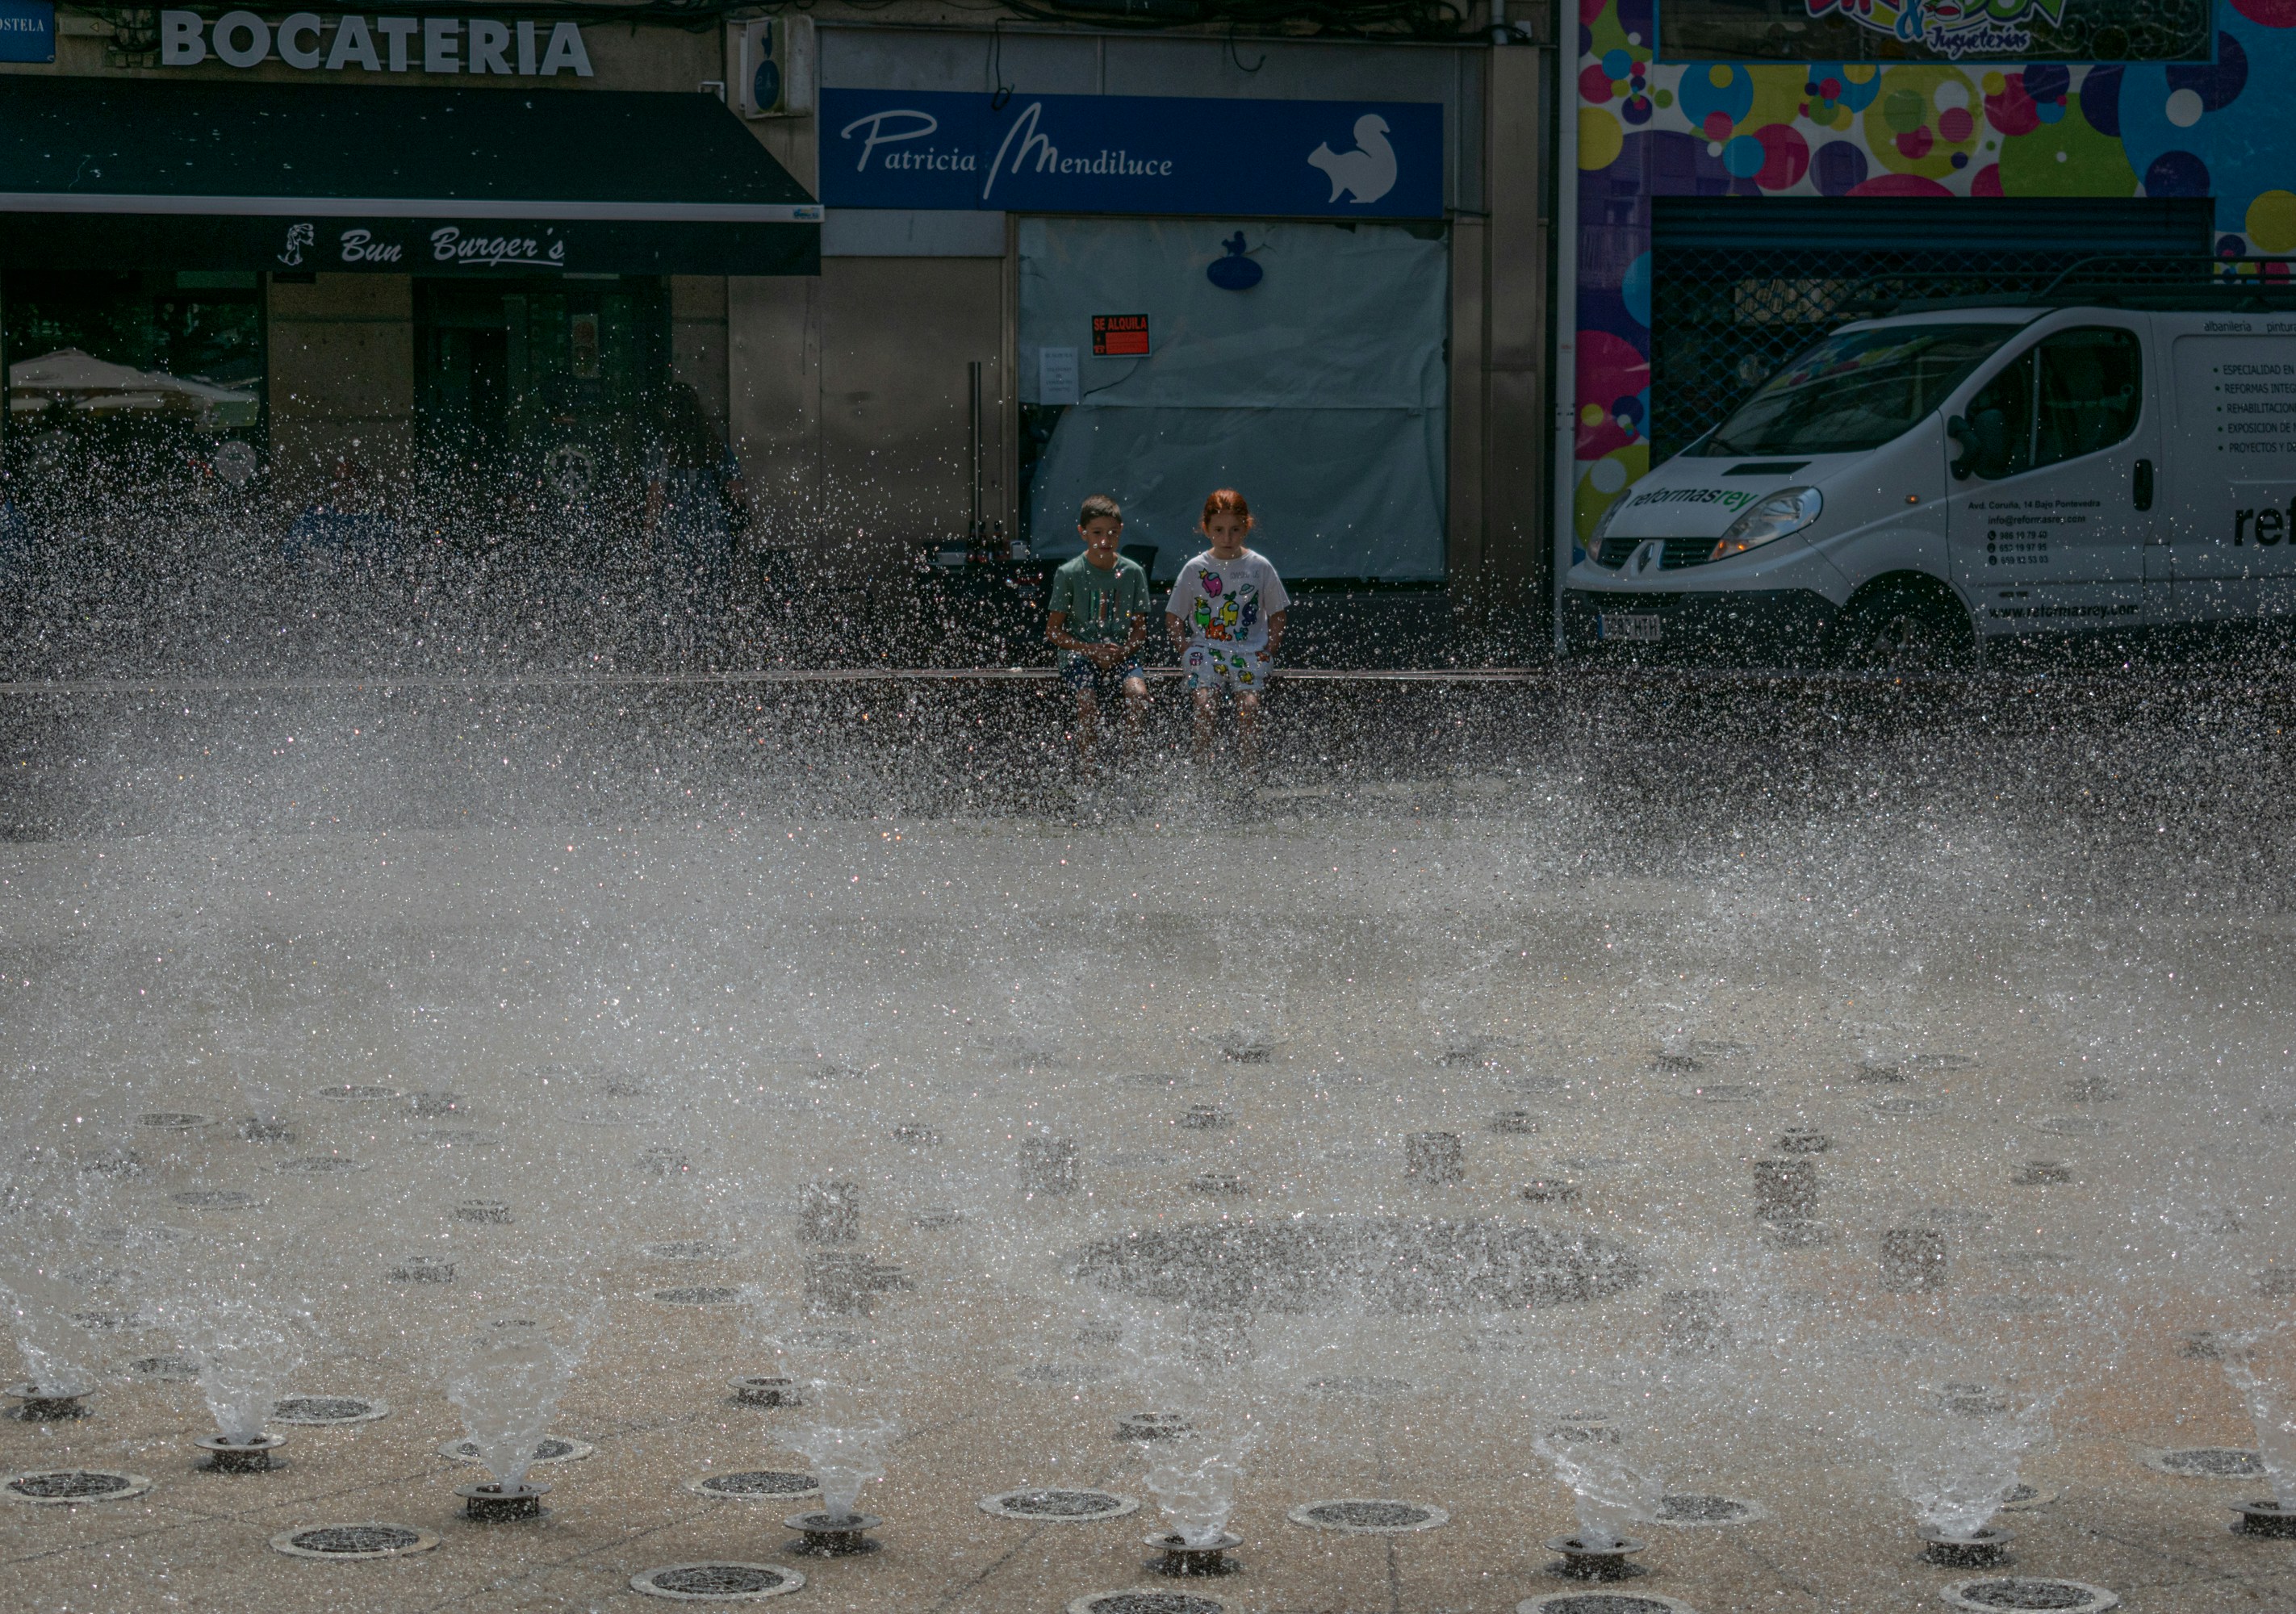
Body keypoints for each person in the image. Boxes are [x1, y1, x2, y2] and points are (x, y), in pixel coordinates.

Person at [1165, 488, 1288, 771]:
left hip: (1249, 651)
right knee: (1205, 705)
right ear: (1206, 528)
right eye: (1219, 530)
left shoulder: (1259, 566)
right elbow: (1173, 616)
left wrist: (1270, 649)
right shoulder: (1196, 568)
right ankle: (1202, 771)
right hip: (1206, 649)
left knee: (1249, 707)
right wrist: (1185, 648)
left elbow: (1278, 614)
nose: (1227, 538)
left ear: (1247, 526)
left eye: (1235, 529)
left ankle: (1248, 771)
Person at [1046, 493, 1151, 771]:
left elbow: (1140, 630)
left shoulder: (1133, 572)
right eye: (1097, 533)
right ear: (1083, 533)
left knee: (1138, 695)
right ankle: (1088, 768)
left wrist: (1124, 651)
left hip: (1120, 652)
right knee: (1086, 699)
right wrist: (1088, 649)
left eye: (1112, 533)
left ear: (1121, 533)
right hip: (1080, 653)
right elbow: (1054, 631)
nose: (1105, 540)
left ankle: (1129, 765)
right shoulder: (1069, 573)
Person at [643, 383, 747, 659]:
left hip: (675, 535)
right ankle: (709, 654)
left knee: (675, 596)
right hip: (713, 535)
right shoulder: (714, 443)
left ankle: (678, 655)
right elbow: (736, 490)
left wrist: (646, 534)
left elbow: (656, 493)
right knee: (710, 598)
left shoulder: (664, 447)